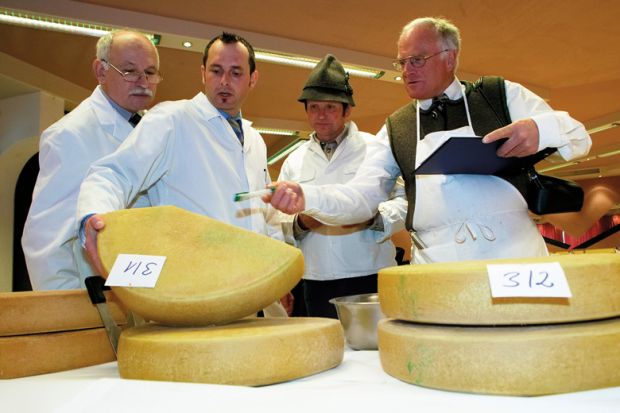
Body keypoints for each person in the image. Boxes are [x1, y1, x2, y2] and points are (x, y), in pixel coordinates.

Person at [267, 17, 592, 264]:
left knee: (524, 345)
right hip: (437, 267)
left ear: (450, 58)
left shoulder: (499, 95)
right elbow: (362, 198)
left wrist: (539, 128)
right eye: (402, 62)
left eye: (417, 60)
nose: (407, 71)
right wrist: (307, 196)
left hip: (516, 255)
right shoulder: (396, 127)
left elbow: (578, 137)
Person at [76, 32, 290, 313]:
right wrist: (92, 216)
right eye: (216, 70)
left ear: (253, 79)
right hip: (192, 289)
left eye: (236, 72)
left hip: (251, 289)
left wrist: (278, 274)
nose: (224, 81)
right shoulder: (171, 120)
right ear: (203, 73)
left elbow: (263, 213)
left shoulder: (255, 141)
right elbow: (112, 174)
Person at [22, 30, 161, 290]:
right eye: (129, 71)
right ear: (101, 71)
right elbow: (47, 242)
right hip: (95, 301)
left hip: (145, 290)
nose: (142, 81)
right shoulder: (69, 135)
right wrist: (69, 316)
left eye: (150, 72)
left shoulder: (152, 128)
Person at [278, 54, 406, 318]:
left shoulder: (377, 148)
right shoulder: (295, 160)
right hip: (314, 280)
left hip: (369, 275)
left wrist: (376, 218)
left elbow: (406, 200)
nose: (320, 116)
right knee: (324, 354)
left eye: (330, 107)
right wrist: (299, 224)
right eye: (313, 107)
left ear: (347, 110)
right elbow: (276, 219)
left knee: (373, 351)